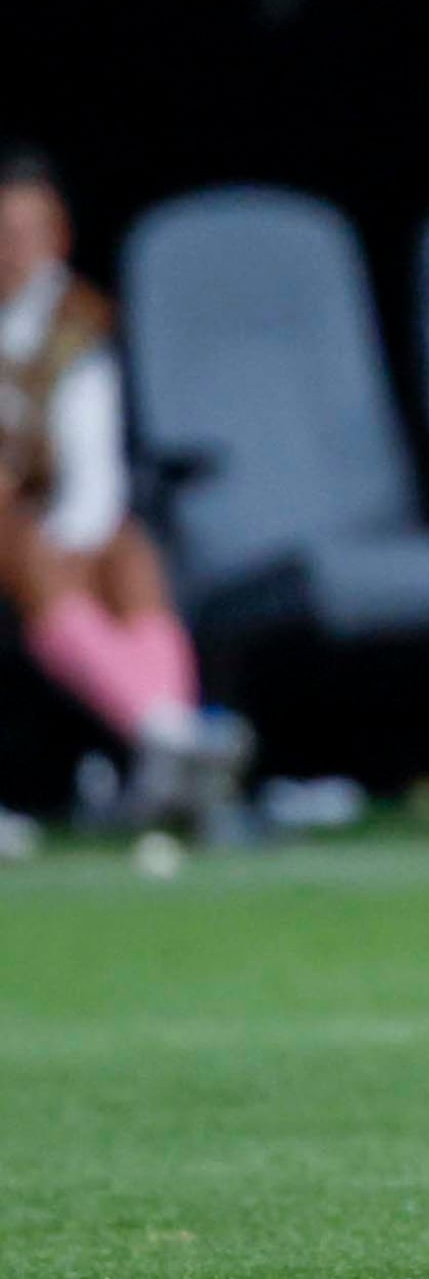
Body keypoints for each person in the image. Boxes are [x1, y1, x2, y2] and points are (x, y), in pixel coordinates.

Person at [0, 150, 243, 826]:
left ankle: (168, 737)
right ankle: (169, 739)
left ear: (59, 239)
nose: (13, 252)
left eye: (28, 234)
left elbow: (92, 469)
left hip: (45, 524)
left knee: (128, 550)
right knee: (24, 540)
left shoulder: (79, 327)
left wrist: (73, 538)